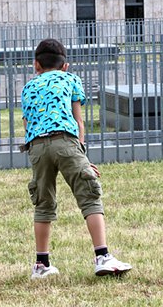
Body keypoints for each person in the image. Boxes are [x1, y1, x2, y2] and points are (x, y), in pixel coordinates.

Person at [21, 38, 132, 279]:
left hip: (37, 147)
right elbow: (78, 120)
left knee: (43, 202)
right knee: (89, 194)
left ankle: (41, 264)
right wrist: (80, 155)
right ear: (65, 66)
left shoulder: (28, 88)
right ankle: (102, 256)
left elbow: (27, 124)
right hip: (66, 141)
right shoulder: (70, 79)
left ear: (36, 65)